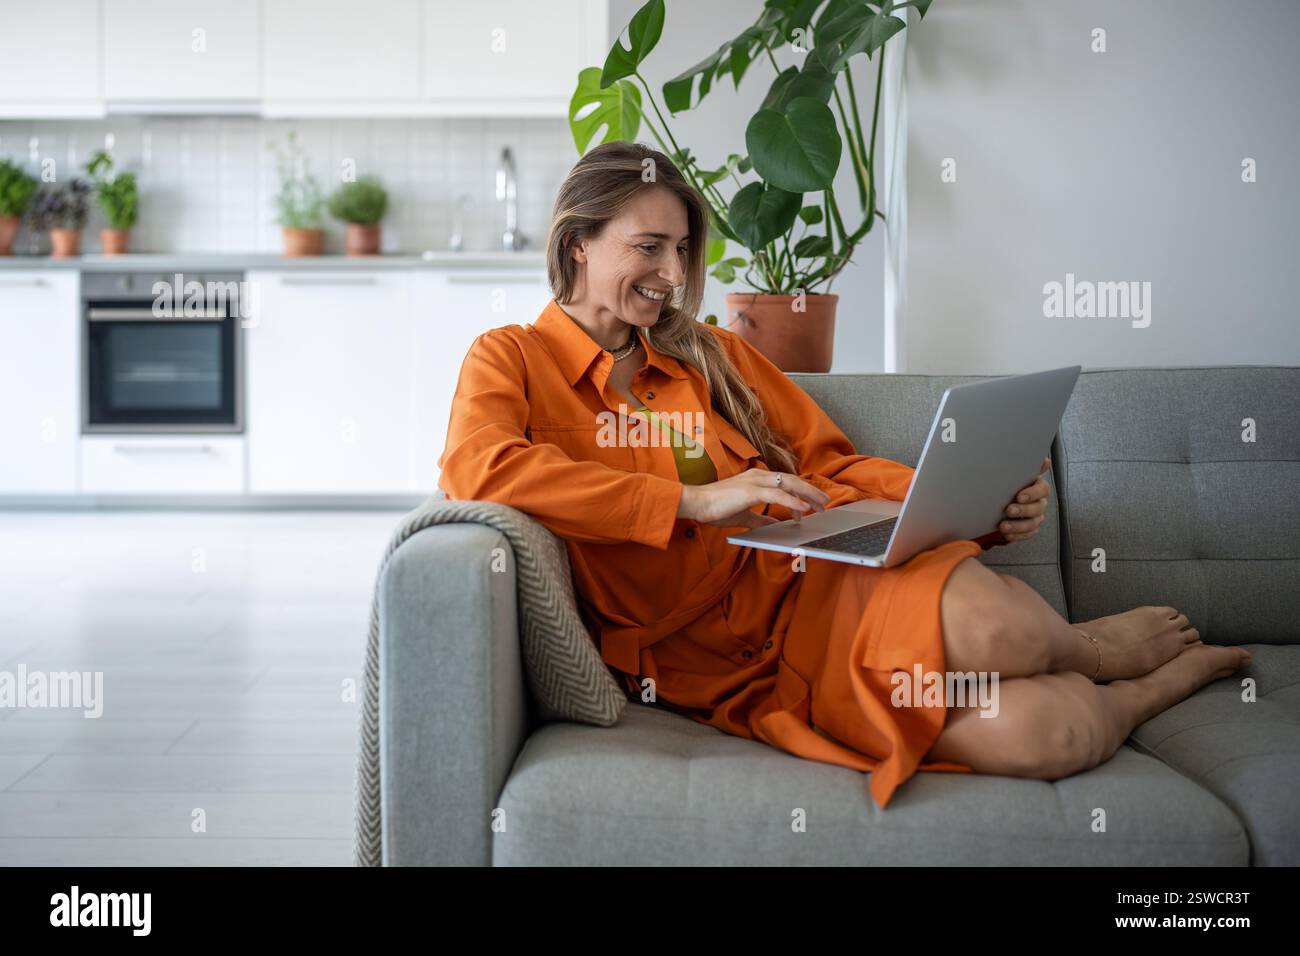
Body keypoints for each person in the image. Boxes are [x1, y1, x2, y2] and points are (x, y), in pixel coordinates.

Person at [438, 141, 1250, 809]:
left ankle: (1094, 650)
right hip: (718, 657)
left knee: (1000, 635)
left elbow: (829, 463)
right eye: (648, 247)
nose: (673, 272)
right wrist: (692, 497)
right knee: (1048, 736)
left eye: (682, 250)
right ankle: (1152, 686)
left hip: (819, 577)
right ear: (578, 242)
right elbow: (480, 469)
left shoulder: (709, 352)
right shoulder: (509, 356)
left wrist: (972, 499)